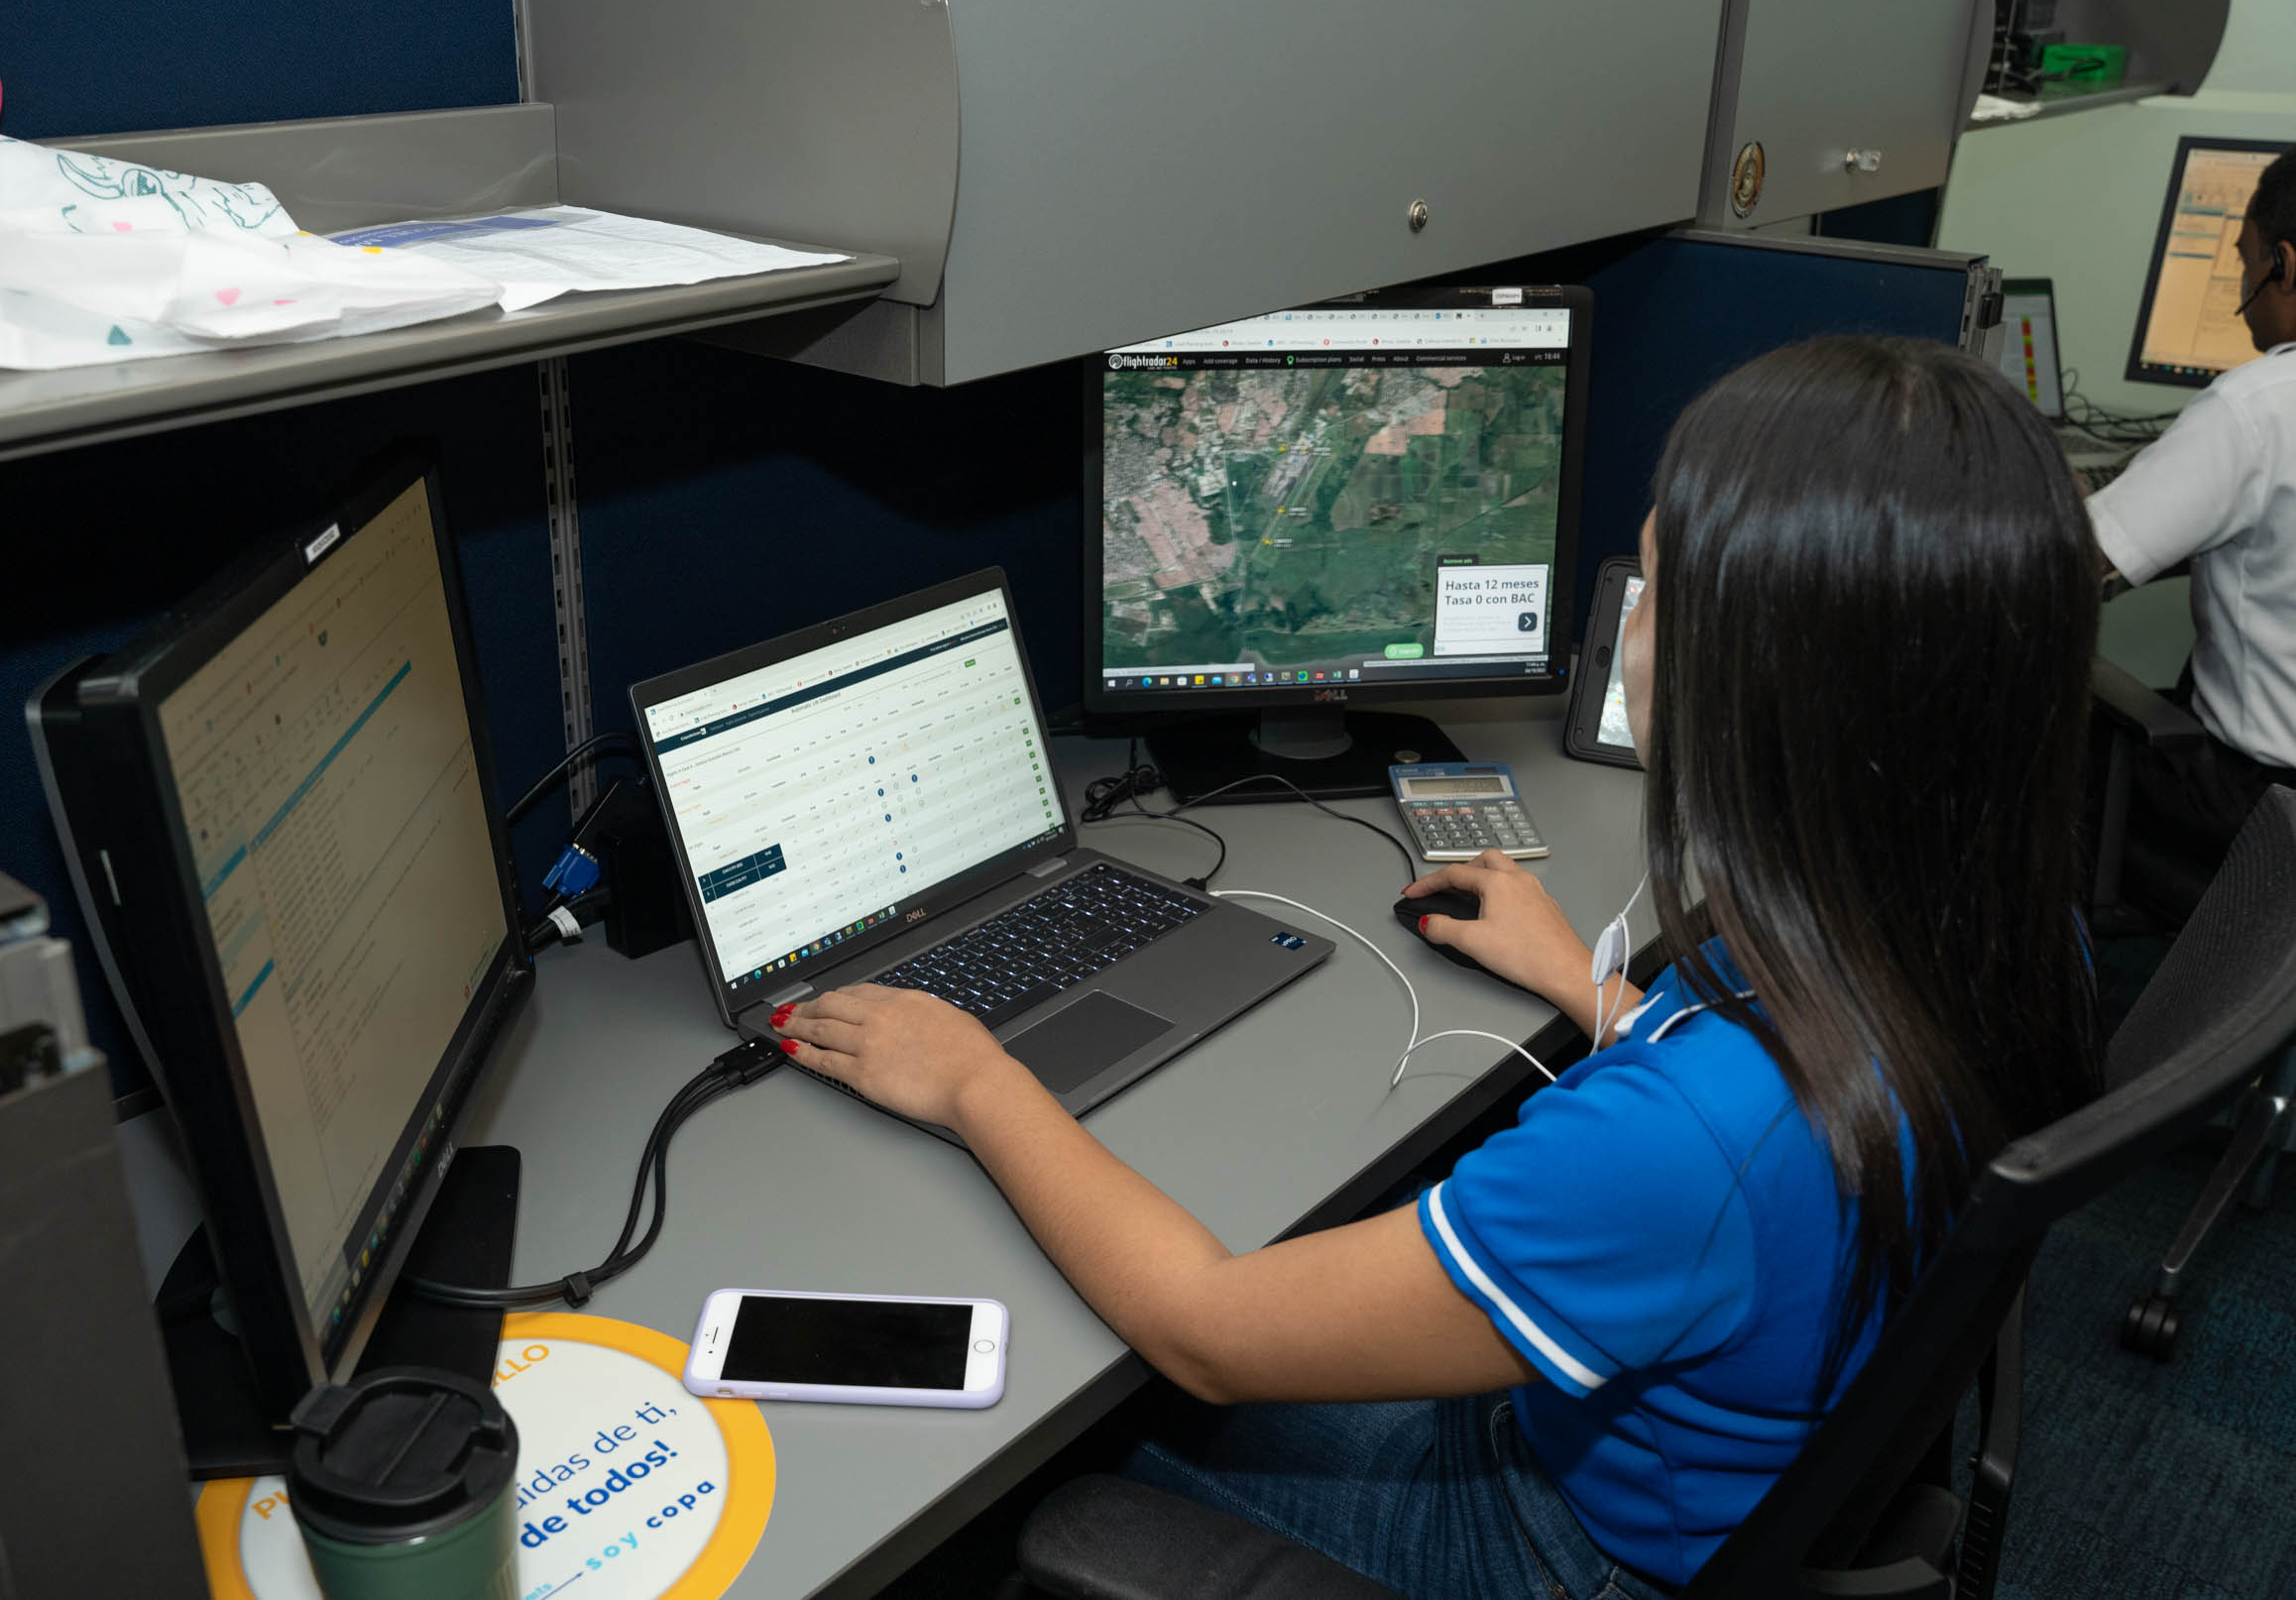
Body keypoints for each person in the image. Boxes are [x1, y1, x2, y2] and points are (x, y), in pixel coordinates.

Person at [771, 337, 2105, 1599]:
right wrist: (1597, 994)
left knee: (1072, 1427)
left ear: (1753, 678)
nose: (1626, 623)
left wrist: (973, 1078)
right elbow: (1772, 1146)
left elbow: (1209, 1326)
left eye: (1652, 586)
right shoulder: (2001, 932)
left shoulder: (1680, 1142)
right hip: (1720, 1458)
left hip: (1548, 1539)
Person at [2089, 144, 2296, 867]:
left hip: (2260, 817)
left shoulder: (2256, 409)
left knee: (2042, 753)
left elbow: (2079, 560)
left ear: (2285, 265)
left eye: (2246, 260)